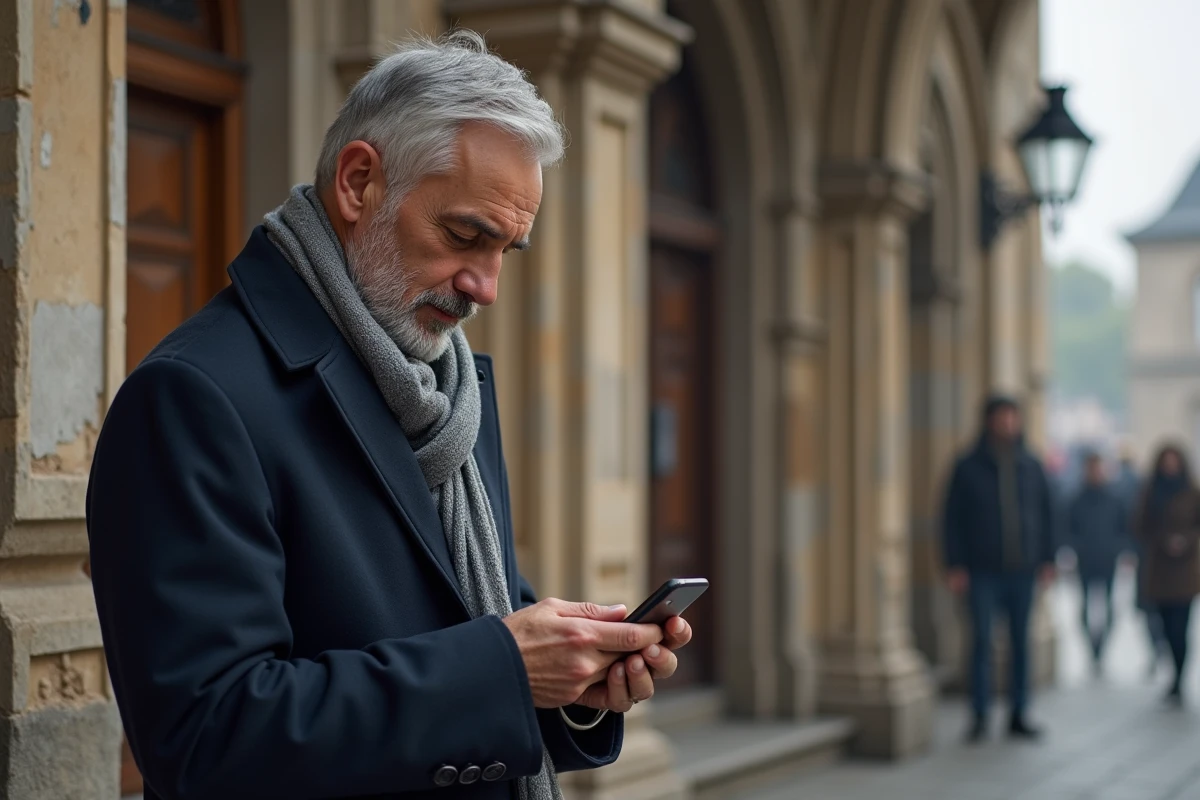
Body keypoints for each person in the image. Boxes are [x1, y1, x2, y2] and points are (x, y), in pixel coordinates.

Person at [86, 32, 692, 800]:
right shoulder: (191, 397)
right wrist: (504, 667)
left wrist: (573, 682)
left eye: (507, 249)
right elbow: (205, 738)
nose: (485, 286)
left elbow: (465, 623)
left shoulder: (444, 392)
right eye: (465, 235)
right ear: (359, 182)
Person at [942, 394, 1057, 743]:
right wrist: (955, 564)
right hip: (981, 571)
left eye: (1013, 417)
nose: (1008, 423)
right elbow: (951, 520)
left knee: (1020, 643)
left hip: (1023, 570)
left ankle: (1019, 712)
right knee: (981, 643)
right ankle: (979, 713)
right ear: (989, 421)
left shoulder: (1031, 465)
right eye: (1002, 417)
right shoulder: (967, 466)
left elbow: (1048, 514)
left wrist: (1048, 559)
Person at [1134, 444, 1200, 705]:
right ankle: (1171, 669)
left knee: (1180, 627)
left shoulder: (1192, 492)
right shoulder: (1150, 492)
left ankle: (1178, 680)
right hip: (1159, 569)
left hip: (1184, 571)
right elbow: (1139, 525)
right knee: (1162, 624)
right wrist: (1163, 540)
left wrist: (1186, 540)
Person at [1066, 451, 1129, 673]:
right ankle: (1092, 650)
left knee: (1110, 608)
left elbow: (1123, 527)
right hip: (1084, 560)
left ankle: (1101, 648)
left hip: (1107, 558)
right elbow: (1068, 529)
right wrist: (1075, 548)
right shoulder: (1076, 499)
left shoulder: (1114, 498)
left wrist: (1120, 549)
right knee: (1083, 608)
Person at [1116, 447, 1166, 676]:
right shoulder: (1141, 488)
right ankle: (1158, 648)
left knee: (1153, 611)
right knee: (1152, 610)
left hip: (1154, 560)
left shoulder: (1130, 486)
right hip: (1147, 559)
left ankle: (1158, 649)